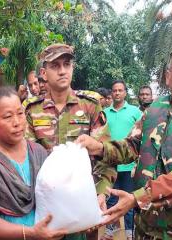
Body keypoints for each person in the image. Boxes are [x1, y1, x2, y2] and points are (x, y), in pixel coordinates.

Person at [76, 45, 172, 239]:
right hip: (147, 225)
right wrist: (100, 147)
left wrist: (136, 199)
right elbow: (133, 145)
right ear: (168, 76)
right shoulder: (155, 109)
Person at [25, 43, 117, 239]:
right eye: (55, 66)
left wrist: (100, 195)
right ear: (44, 72)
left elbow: (105, 155)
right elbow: (27, 160)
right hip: (46, 210)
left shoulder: (90, 105)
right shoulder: (31, 110)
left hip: (83, 207)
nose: (62, 71)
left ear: (73, 68)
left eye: (67, 64)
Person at [0, 87, 66, 240]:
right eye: (8, 116)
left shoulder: (39, 152)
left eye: (20, 113)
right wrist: (30, 233)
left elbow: (52, 199)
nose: (16, 122)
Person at [103, 80, 142, 240]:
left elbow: (140, 133)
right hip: (110, 166)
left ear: (125, 92)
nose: (117, 93)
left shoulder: (135, 111)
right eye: (114, 90)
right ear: (111, 93)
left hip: (129, 166)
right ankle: (109, 231)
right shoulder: (104, 113)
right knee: (110, 199)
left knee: (129, 201)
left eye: (120, 90)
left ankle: (129, 233)